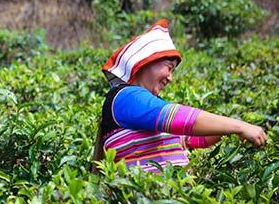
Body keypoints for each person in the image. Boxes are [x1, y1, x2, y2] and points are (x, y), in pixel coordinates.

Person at [94, 19, 266, 171]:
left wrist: (231, 130)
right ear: (146, 62)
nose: (170, 77)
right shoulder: (125, 97)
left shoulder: (148, 105)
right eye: (169, 68)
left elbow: (193, 140)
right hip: (145, 203)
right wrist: (240, 126)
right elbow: (178, 119)